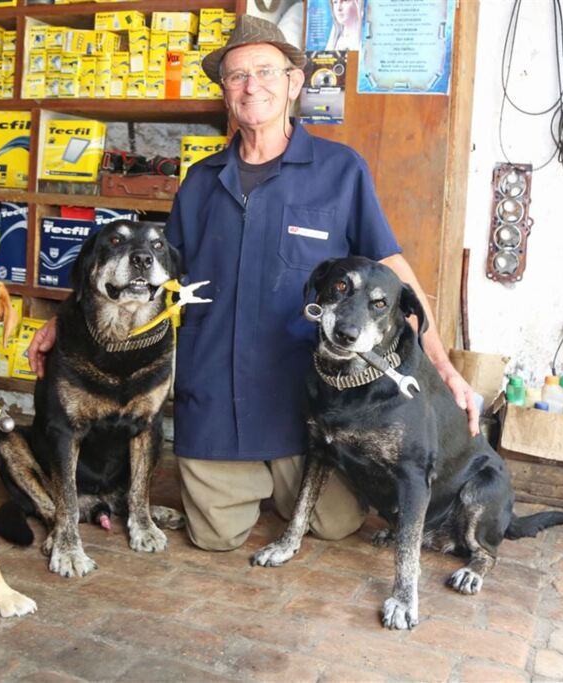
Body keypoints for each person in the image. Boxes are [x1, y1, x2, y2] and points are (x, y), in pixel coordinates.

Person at [27, 15, 477, 553]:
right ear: (225, 94)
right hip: (217, 392)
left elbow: (393, 273)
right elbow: (149, 278)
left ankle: (280, 479)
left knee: (335, 523)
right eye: (236, 76)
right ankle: (250, 481)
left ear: (294, 82)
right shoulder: (199, 182)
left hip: (308, 399)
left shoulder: (341, 171)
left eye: (265, 71)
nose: (251, 86)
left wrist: (445, 366)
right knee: (216, 537)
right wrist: (62, 322)